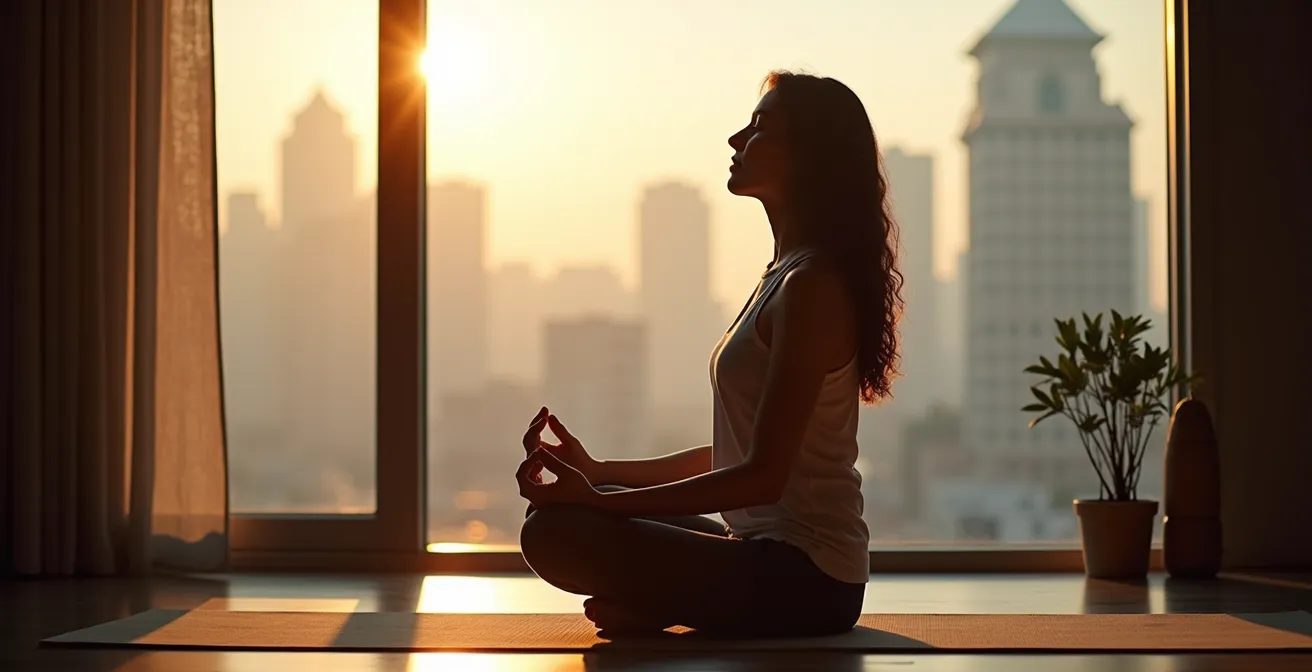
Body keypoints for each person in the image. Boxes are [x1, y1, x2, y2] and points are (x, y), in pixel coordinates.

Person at [514, 70, 904, 638]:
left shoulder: (812, 286)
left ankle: (672, 606)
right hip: (759, 553)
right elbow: (735, 453)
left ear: (808, 157)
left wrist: (601, 504)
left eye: (759, 127)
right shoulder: (784, 274)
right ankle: (672, 604)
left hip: (809, 581)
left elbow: (761, 478)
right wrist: (599, 476)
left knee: (554, 532)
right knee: (561, 513)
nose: (735, 140)